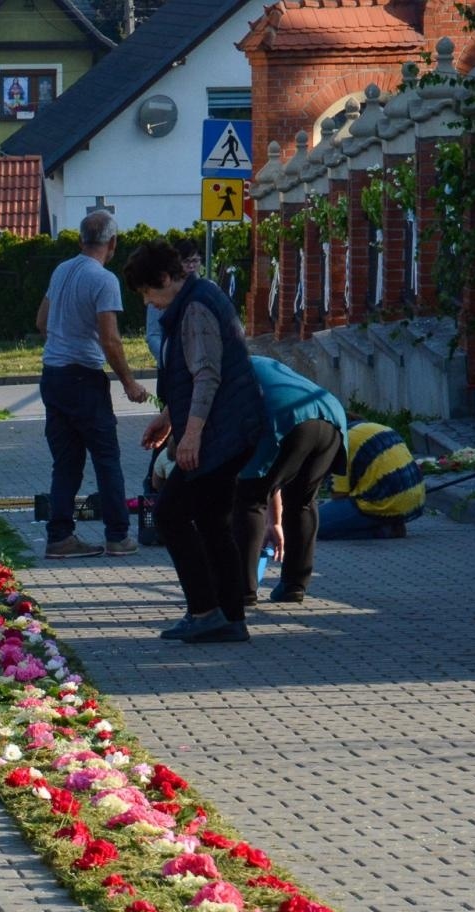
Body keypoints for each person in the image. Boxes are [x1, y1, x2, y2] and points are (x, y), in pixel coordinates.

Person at [125, 241, 266, 644]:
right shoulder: (196, 299)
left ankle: (205, 610)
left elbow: (207, 374)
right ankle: (230, 617)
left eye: (149, 293)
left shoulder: (196, 308)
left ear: (167, 279)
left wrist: (191, 435)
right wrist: (168, 418)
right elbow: (192, 375)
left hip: (222, 433)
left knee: (170, 514)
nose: (150, 304)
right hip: (228, 428)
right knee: (211, 522)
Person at [36, 210, 150, 559]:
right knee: (106, 458)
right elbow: (110, 339)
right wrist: (129, 382)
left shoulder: (62, 270)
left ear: (80, 239)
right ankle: (118, 535)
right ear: (112, 243)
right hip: (83, 377)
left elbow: (42, 321)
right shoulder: (104, 280)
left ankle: (59, 537)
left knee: (66, 462)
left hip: (52, 375)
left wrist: (64, 339)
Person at [232, 357, 347, 605]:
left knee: (248, 499)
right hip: (329, 414)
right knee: (303, 501)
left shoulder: (217, 371)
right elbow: (273, 475)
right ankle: (294, 585)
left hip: (284, 416)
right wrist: (275, 521)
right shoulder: (257, 362)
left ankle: (242, 590)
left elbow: (262, 470)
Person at [317, 420, 425, 540]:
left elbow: (339, 495)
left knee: (310, 527)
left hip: (383, 502)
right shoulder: (373, 427)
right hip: (414, 498)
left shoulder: (338, 444)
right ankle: (391, 523)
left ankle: (384, 531)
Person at [145, 238, 201, 367]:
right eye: (186, 261)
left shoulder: (207, 289)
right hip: (170, 365)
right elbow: (153, 334)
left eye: (195, 261)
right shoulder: (163, 291)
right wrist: (168, 360)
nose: (191, 266)